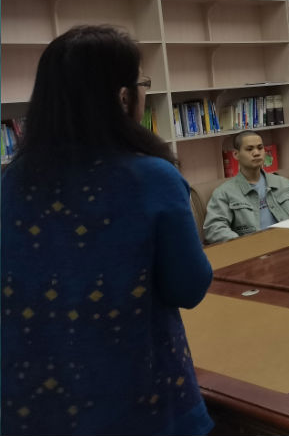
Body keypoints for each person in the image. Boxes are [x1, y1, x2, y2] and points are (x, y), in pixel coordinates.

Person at [1, 25, 213, 436]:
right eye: (142, 84)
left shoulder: (13, 180)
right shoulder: (151, 178)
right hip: (137, 400)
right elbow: (189, 287)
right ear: (123, 96)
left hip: (32, 401)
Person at [203, 131, 289, 243]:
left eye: (260, 148)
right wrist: (245, 244)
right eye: (249, 149)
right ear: (236, 154)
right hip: (253, 249)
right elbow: (214, 229)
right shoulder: (224, 192)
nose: (256, 153)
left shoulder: (283, 183)